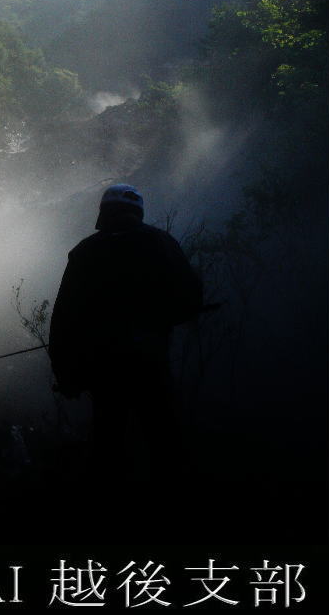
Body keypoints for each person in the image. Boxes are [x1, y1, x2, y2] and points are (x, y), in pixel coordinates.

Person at [48, 183, 202, 478]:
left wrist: (66, 375)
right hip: (150, 363)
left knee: (108, 447)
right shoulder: (160, 242)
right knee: (166, 443)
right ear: (137, 211)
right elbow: (190, 299)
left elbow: (63, 320)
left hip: (104, 369)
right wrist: (164, 317)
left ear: (104, 213)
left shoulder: (84, 252)